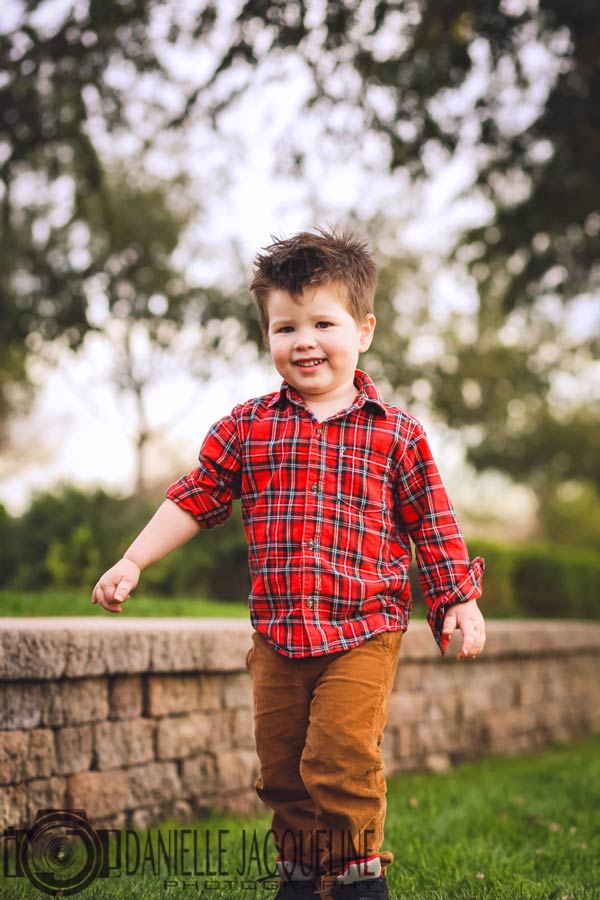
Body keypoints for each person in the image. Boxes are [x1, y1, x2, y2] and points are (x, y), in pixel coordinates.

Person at [92, 225, 486, 900]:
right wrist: (133, 559)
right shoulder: (248, 427)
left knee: (338, 759)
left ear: (362, 330)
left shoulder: (396, 432)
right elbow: (195, 497)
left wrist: (457, 600)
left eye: (322, 323)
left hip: (363, 630)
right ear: (268, 336)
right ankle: (301, 879)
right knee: (281, 770)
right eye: (284, 327)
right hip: (277, 636)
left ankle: (360, 880)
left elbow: (434, 522)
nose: (303, 341)